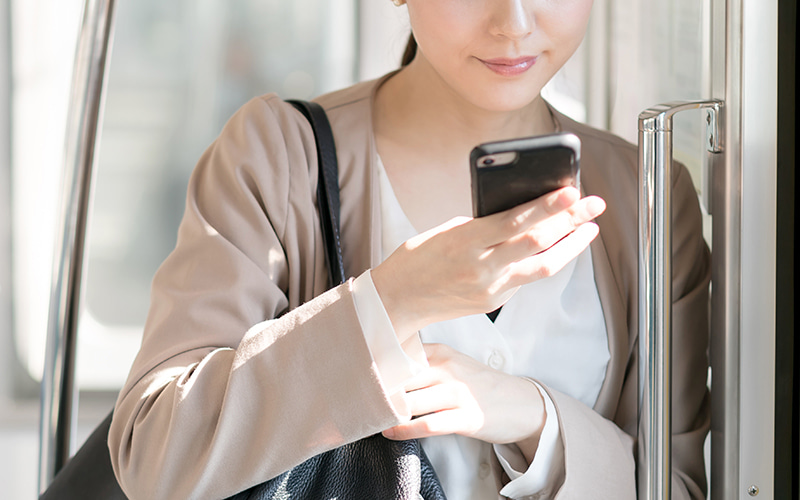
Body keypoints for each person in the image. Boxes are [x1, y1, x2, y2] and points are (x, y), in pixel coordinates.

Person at [108, 0, 711, 498]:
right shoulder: (277, 159)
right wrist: (392, 300)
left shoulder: (649, 197)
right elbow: (155, 455)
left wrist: (534, 419)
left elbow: (679, 484)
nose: (516, 22)